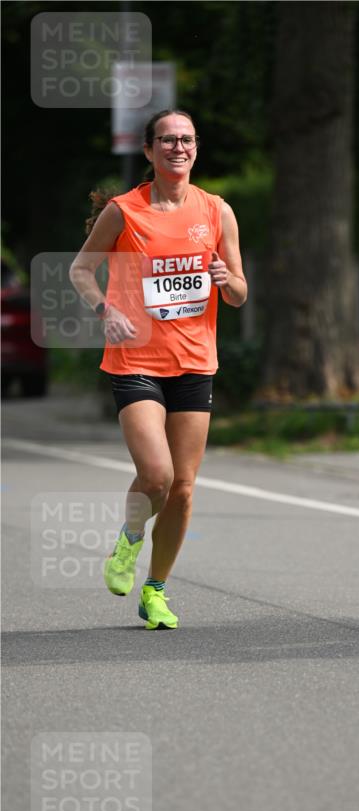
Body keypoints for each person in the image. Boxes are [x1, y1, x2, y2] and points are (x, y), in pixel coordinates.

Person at [69, 109, 247, 629]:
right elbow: (81, 269)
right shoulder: (125, 211)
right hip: (136, 359)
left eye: (187, 139)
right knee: (157, 475)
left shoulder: (216, 211)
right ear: (149, 151)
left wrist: (223, 277)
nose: (178, 148)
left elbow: (239, 294)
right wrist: (106, 309)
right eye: (167, 140)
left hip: (195, 362)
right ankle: (127, 543)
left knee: (185, 487)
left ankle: (156, 589)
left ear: (196, 148)